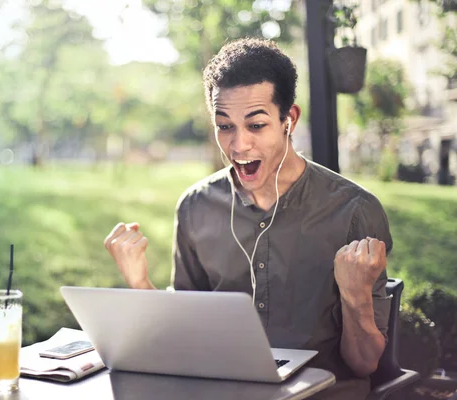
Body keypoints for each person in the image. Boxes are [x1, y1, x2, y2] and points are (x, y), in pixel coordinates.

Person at [103, 38, 392, 400]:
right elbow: (184, 337)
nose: (239, 146)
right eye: (225, 126)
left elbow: (365, 363)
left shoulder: (354, 211)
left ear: (289, 120)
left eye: (256, 125)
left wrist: (355, 294)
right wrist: (140, 284)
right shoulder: (196, 207)